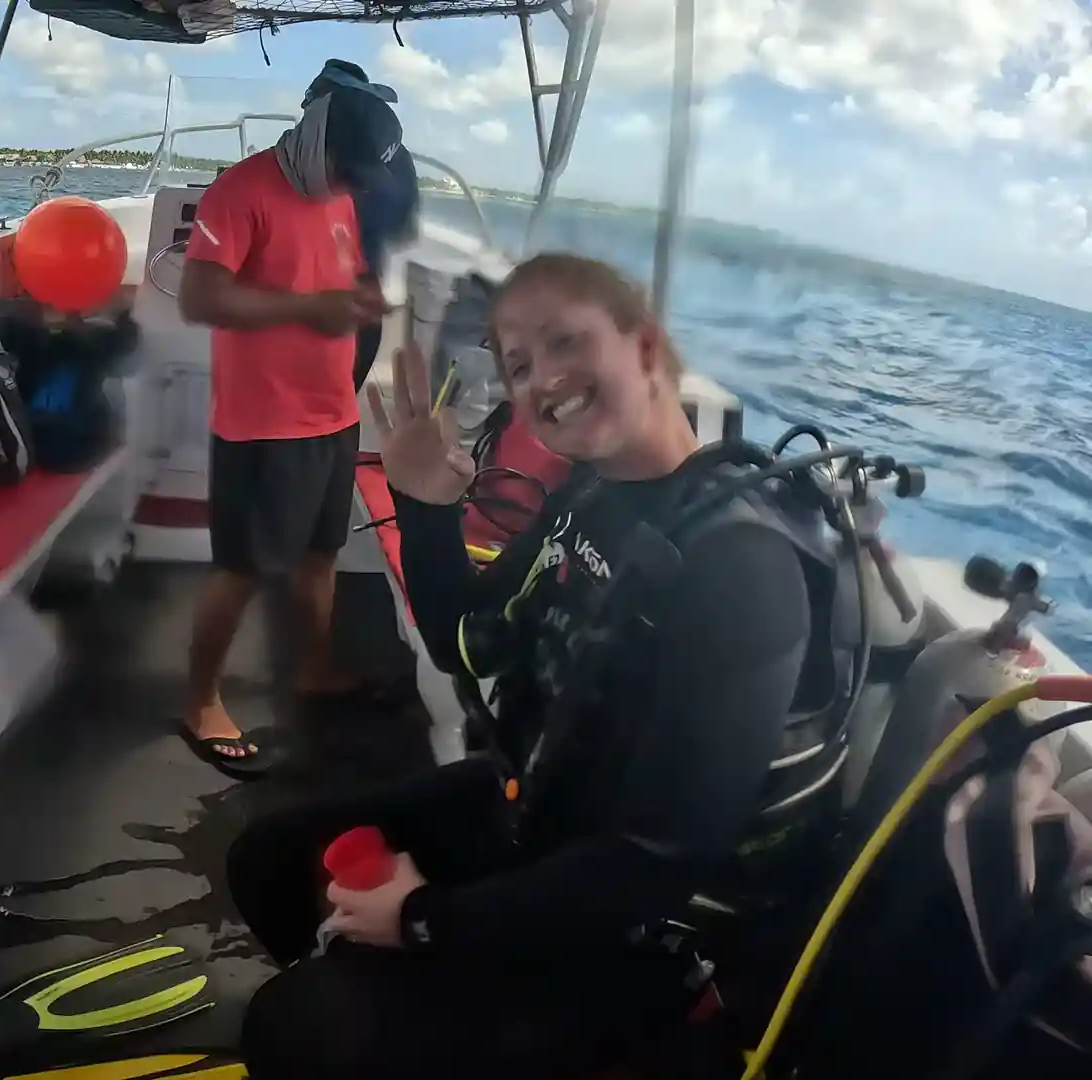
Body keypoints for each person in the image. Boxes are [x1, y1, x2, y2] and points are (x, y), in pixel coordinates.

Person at [228, 253, 823, 1077]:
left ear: (646, 347)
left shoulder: (740, 566)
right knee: (269, 862)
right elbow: (470, 642)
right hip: (532, 814)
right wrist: (426, 509)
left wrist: (426, 919)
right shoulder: (594, 494)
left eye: (566, 342)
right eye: (518, 364)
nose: (543, 378)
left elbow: (657, 863)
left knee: (297, 1030)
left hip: (634, 935)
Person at [174, 67, 400, 778]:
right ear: (315, 139)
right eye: (345, 170)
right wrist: (310, 311)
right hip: (261, 427)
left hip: (333, 415)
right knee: (240, 572)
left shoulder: (342, 195)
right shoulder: (242, 191)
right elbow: (200, 298)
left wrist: (365, 299)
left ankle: (314, 669)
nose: (350, 185)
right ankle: (200, 702)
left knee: (318, 558)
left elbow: (339, 275)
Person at [300, 59, 422, 390]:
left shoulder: (326, 157)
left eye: (310, 98)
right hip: (364, 299)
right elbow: (406, 230)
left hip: (331, 302)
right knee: (339, 400)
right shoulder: (398, 158)